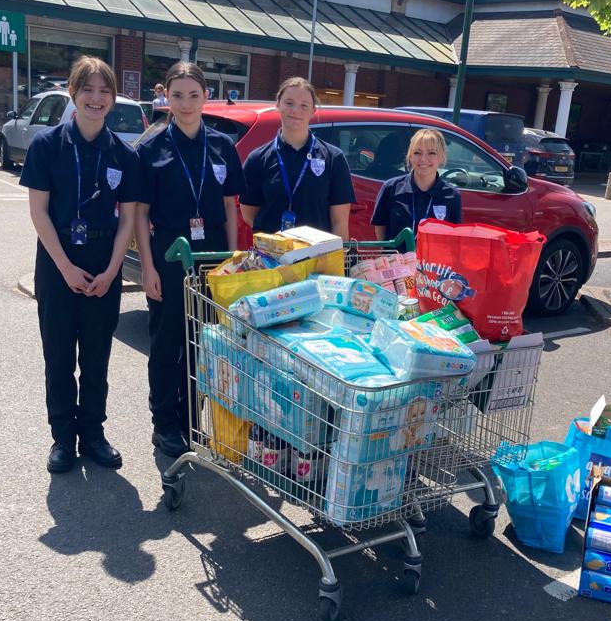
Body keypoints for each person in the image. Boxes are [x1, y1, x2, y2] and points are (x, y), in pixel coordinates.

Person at [20, 56, 141, 473]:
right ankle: (62, 439)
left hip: (103, 262)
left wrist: (112, 272)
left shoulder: (123, 154)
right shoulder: (47, 145)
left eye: (104, 91)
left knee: (96, 357)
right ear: (73, 93)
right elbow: (39, 213)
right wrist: (67, 268)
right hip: (58, 265)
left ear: (113, 99)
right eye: (87, 89)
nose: (96, 98)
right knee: (58, 356)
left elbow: (128, 218)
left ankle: (92, 434)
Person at [136, 61, 245, 458]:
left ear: (206, 97)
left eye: (193, 95)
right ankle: (165, 424)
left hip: (213, 256)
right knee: (167, 342)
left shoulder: (221, 146)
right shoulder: (151, 148)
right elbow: (139, 214)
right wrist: (147, 268)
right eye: (176, 95)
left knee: (204, 341)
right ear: (165, 95)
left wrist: (232, 261)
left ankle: (191, 420)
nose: (184, 103)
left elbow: (231, 207)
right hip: (168, 253)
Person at [239, 77, 354, 238]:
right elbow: (249, 214)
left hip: (317, 257)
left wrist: (336, 259)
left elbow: (339, 222)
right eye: (289, 103)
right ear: (277, 104)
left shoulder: (333, 158)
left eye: (304, 105)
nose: (295, 110)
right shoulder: (257, 159)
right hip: (272, 258)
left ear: (313, 110)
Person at [371, 127, 461, 241]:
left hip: (433, 259)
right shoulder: (391, 188)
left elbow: (453, 238)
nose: (423, 159)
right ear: (410, 156)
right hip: (397, 258)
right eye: (417, 152)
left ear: (441, 157)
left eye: (431, 153)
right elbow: (380, 227)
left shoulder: (452, 195)